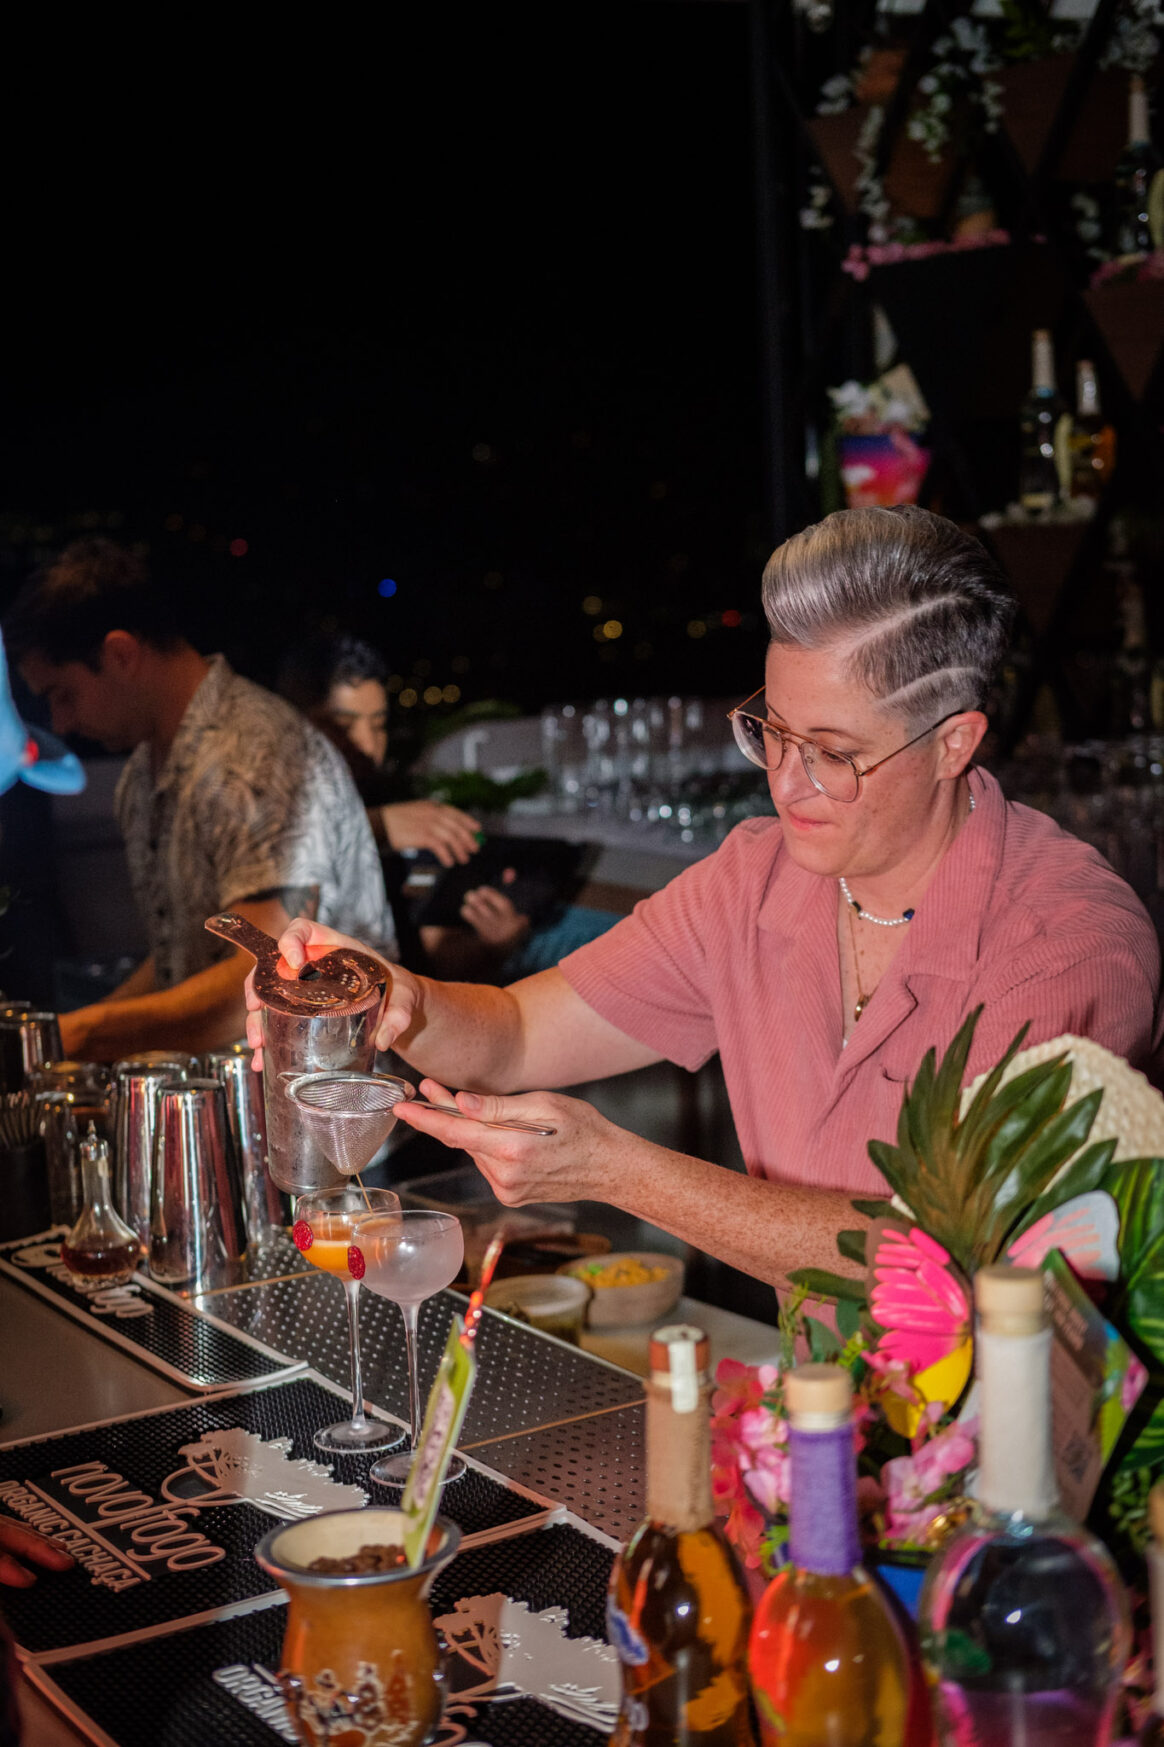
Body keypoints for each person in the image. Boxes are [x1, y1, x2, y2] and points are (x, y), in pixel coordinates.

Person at [247, 507, 1164, 1291]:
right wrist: (397, 999)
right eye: (772, 731)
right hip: (812, 1406)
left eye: (835, 753)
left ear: (954, 742)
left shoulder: (1069, 943)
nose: (787, 783)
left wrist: (619, 1170)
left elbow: (950, 1261)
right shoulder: (755, 879)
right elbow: (518, 1035)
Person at [6, 540, 397, 1061]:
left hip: (326, 1090)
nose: (59, 723)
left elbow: (267, 979)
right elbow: (182, 958)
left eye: (62, 694)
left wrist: (76, 1036)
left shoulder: (254, 754)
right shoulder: (141, 777)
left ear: (120, 654)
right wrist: (69, 1038)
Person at [278, 633, 532, 974]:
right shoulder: (269, 800)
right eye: (343, 725)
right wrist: (377, 826)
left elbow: (426, 952)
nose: (369, 744)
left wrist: (492, 945)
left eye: (379, 725)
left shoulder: (386, 798)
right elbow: (277, 850)